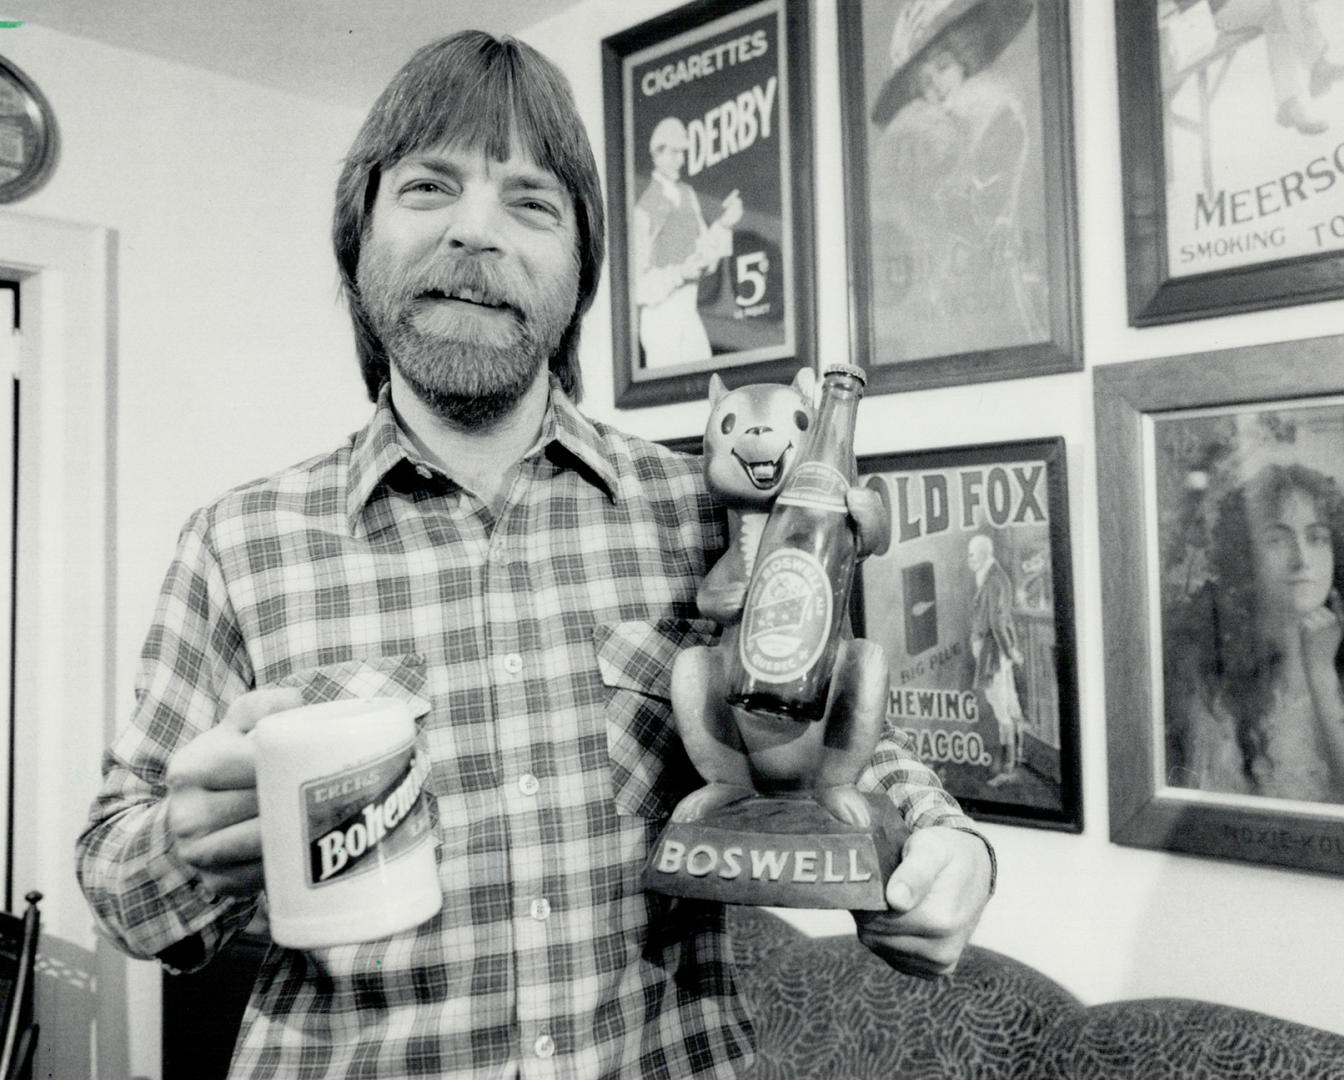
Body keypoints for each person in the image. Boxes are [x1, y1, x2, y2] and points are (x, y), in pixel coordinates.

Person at [75, 31, 994, 1080]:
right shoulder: (238, 544)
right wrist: (185, 852)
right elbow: (119, 888)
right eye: (428, 187)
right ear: (358, 238)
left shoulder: (700, 513)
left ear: (580, 270)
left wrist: (949, 844)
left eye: (529, 201)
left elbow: (817, 730)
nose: (475, 231)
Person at [1164, 464, 1344, 812]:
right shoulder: (1210, 690)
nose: (1302, 561)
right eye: (1277, 540)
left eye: (1317, 538)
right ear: (1245, 558)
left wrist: (1322, 675)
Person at [869, 0, 1046, 358]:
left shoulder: (988, 103)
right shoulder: (932, 124)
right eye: (924, 82)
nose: (936, 87)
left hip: (989, 281)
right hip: (955, 287)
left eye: (943, 67)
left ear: (966, 56)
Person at [631, 116, 743, 368]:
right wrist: (680, 273)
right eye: (673, 152)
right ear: (656, 154)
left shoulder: (688, 195)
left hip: (688, 311)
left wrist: (725, 223)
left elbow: (703, 253)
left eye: (682, 153)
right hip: (662, 316)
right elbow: (639, 287)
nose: (679, 160)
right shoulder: (644, 209)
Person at [1206, 0, 1344, 135]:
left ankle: (1290, 102)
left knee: (1279, 16)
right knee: (1283, 6)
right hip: (1217, 12)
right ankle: (1318, 66)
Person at [965, 534, 1026, 786]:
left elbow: (997, 623)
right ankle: (1017, 756)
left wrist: (1010, 651)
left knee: (1002, 708)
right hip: (994, 652)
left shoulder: (993, 581)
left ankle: (1008, 766)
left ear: (985, 554)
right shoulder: (991, 578)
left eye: (972, 554)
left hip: (994, 654)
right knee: (1009, 705)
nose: (968, 559)